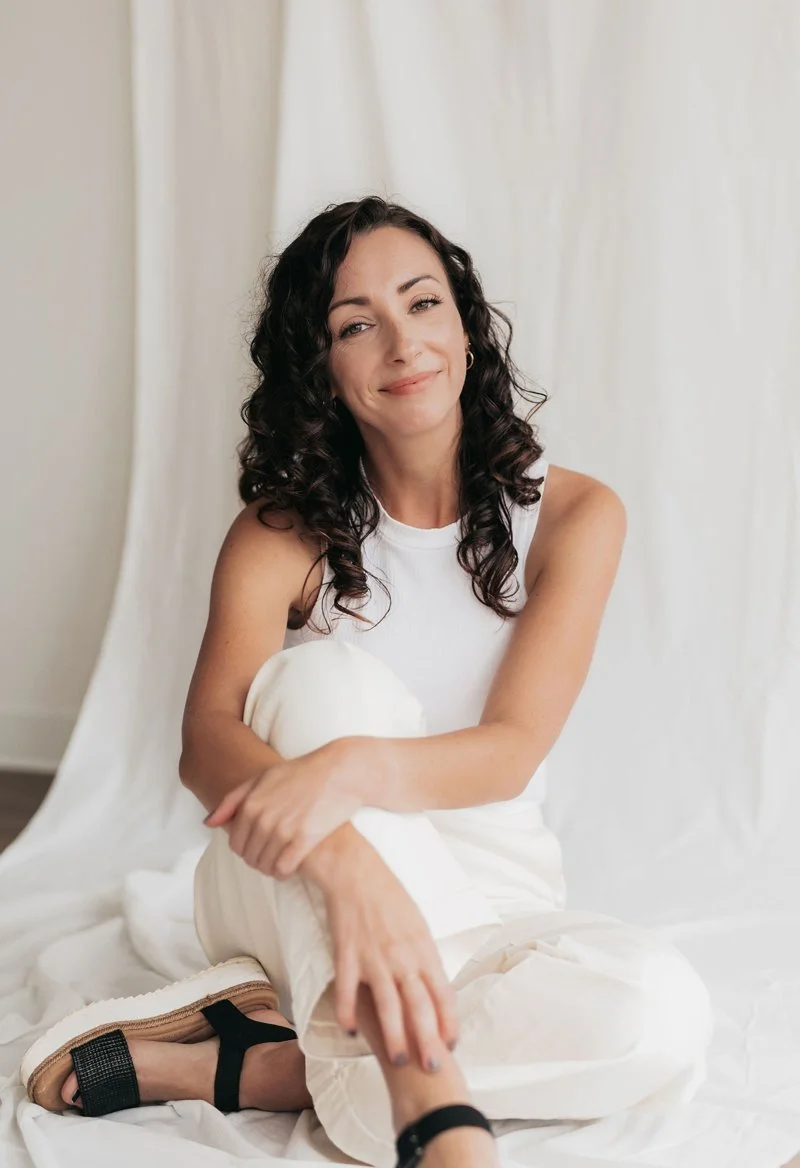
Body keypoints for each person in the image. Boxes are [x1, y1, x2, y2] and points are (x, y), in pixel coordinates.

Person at [21, 196, 714, 1168]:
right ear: (322, 368)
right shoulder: (280, 533)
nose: (402, 342)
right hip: (293, 876)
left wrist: (348, 769)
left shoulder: (574, 514)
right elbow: (206, 742)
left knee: (659, 1014)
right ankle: (434, 1114)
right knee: (322, 683)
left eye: (422, 303)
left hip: (490, 892)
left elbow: (510, 750)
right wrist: (349, 864)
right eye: (356, 324)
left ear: (466, 328)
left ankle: (271, 1068)